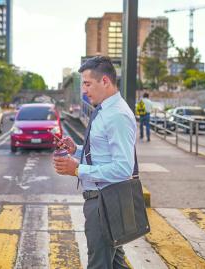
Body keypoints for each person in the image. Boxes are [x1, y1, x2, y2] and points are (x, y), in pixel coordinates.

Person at [52, 56, 136, 269]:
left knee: (99, 264)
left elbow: (123, 168)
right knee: (115, 264)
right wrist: (76, 150)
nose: (84, 91)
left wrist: (78, 169)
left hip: (105, 203)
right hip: (104, 201)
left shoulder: (116, 115)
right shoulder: (105, 110)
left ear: (105, 81)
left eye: (88, 84)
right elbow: (101, 154)